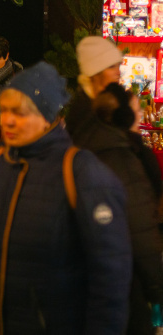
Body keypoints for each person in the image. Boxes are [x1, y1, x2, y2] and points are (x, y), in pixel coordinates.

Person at [0, 62, 133, 335]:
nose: (7, 120)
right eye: (5, 110)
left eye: (19, 113)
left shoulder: (82, 172)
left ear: (47, 117)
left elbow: (110, 272)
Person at [69, 36, 163, 334]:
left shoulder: (90, 110)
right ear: (98, 72)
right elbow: (138, 221)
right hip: (111, 261)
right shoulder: (94, 121)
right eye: (113, 67)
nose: (118, 72)